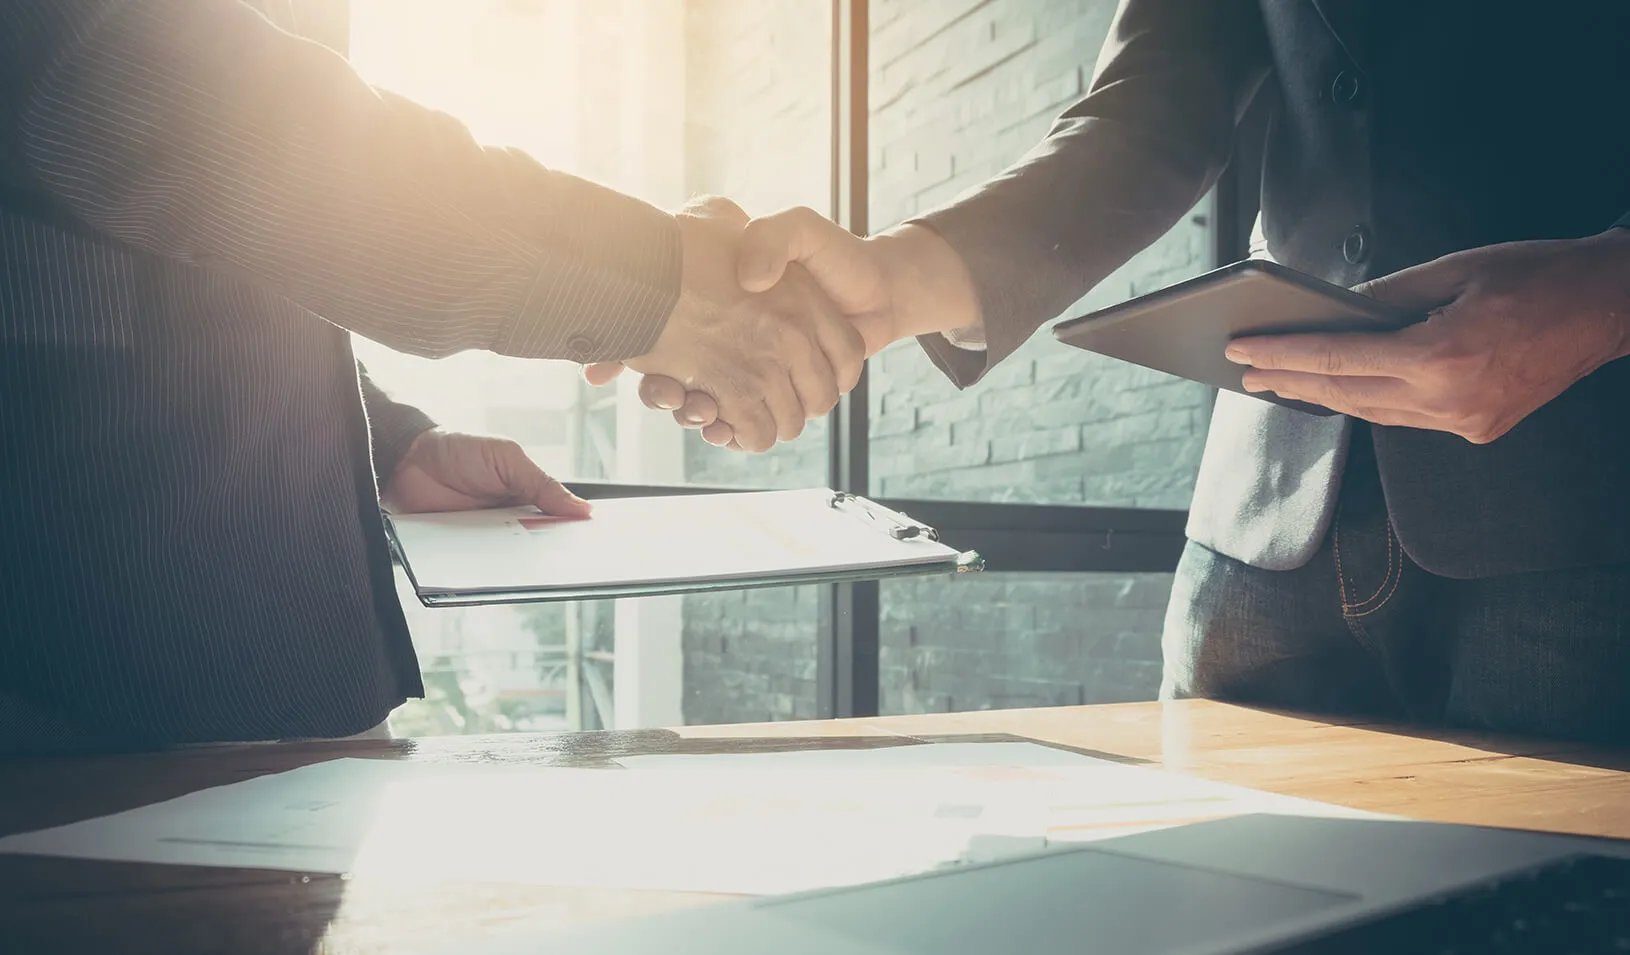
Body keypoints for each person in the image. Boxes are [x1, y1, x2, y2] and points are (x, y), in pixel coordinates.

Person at [604, 0, 1630, 742]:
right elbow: (1148, 110)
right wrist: (894, 278)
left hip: (1588, 513)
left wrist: (1608, 290)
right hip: (1265, 528)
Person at [0, 1, 862, 752]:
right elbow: (202, 119)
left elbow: (236, 257)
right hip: (82, 717)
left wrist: (392, 443)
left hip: (273, 703)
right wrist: (660, 285)